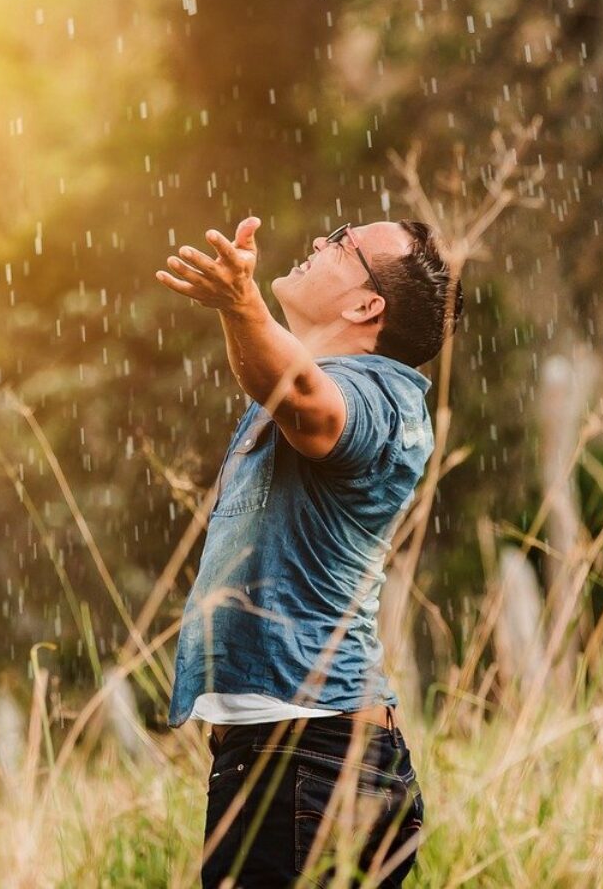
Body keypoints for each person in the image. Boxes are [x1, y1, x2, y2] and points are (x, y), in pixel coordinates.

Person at [155, 213, 462, 887]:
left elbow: (306, 402)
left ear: (365, 303)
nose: (320, 241)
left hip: (310, 761)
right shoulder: (330, 379)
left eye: (343, 243)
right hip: (298, 758)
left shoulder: (377, 397)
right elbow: (281, 381)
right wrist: (240, 314)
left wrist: (242, 303)